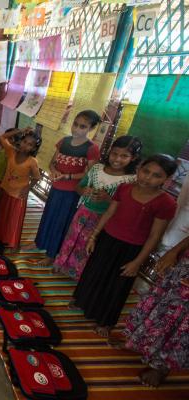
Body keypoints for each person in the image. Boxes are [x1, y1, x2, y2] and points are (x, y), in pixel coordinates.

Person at [71, 155, 178, 340]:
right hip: (107, 239)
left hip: (132, 249)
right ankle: (82, 301)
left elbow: (155, 236)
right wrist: (94, 235)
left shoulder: (166, 203)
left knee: (117, 286)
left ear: (166, 180)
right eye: (146, 171)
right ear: (139, 169)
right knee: (94, 272)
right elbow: (110, 212)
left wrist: (138, 262)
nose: (147, 178)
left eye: (156, 175)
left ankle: (106, 321)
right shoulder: (125, 188)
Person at [54, 136, 141, 279]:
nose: (117, 159)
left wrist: (109, 199)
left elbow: (127, 207)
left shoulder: (130, 180)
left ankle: (78, 273)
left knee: (88, 245)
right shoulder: (97, 169)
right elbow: (78, 187)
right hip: (83, 212)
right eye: (114, 153)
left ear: (133, 157)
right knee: (72, 238)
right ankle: (62, 263)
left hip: (104, 219)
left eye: (124, 156)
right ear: (109, 152)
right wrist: (84, 191)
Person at [33, 110, 101, 265]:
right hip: (56, 186)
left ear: (91, 129)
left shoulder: (91, 148)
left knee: (61, 222)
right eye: (75, 124)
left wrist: (68, 177)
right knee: (48, 215)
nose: (76, 129)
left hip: (72, 192)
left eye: (82, 127)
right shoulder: (63, 141)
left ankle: (51, 254)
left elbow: (89, 174)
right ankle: (39, 243)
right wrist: (55, 171)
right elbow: (52, 163)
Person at [123, 236, 189, 387]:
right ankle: (142, 346)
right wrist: (174, 251)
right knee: (161, 308)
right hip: (185, 267)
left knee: (181, 324)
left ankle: (160, 367)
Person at [0, 128, 42, 249]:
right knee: (3, 215)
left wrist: (28, 189)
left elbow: (36, 177)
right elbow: (2, 137)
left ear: (34, 148)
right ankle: (0, 236)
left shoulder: (32, 161)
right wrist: (20, 130)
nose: (25, 145)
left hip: (18, 195)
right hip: (6, 189)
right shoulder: (11, 151)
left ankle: (8, 241)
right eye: (25, 141)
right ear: (21, 141)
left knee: (12, 220)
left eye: (30, 144)